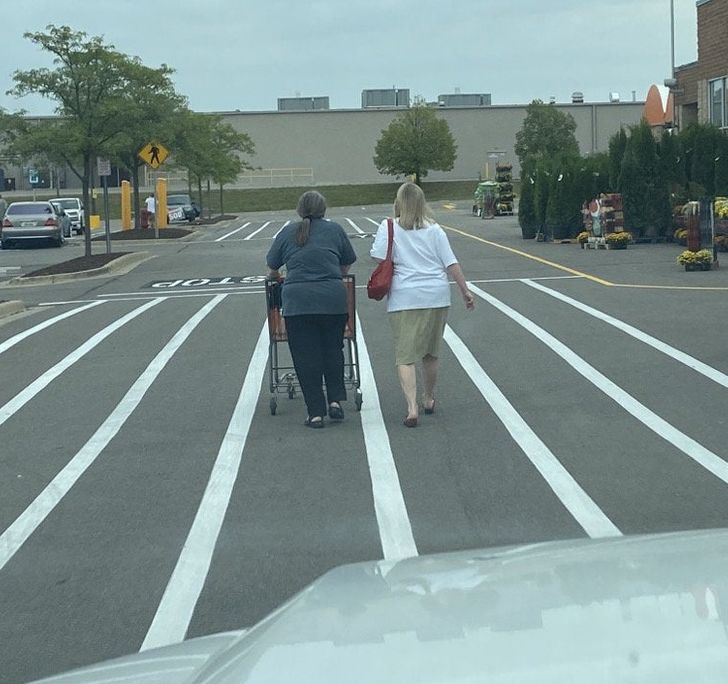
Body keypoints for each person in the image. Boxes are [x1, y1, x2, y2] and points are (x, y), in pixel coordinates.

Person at [370, 182, 475, 428]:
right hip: (435, 295)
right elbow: (451, 263)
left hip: (404, 296)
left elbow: (378, 256)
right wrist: (465, 290)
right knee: (430, 352)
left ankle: (411, 407)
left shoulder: (388, 227)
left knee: (405, 355)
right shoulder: (435, 230)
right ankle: (428, 397)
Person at [266, 191, 357, 428]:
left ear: (299, 210)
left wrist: (277, 276)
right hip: (333, 300)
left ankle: (315, 413)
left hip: (298, 303)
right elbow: (346, 263)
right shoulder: (335, 230)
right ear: (323, 209)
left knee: (306, 357)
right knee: (333, 350)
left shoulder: (287, 232)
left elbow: (272, 265)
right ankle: (335, 400)